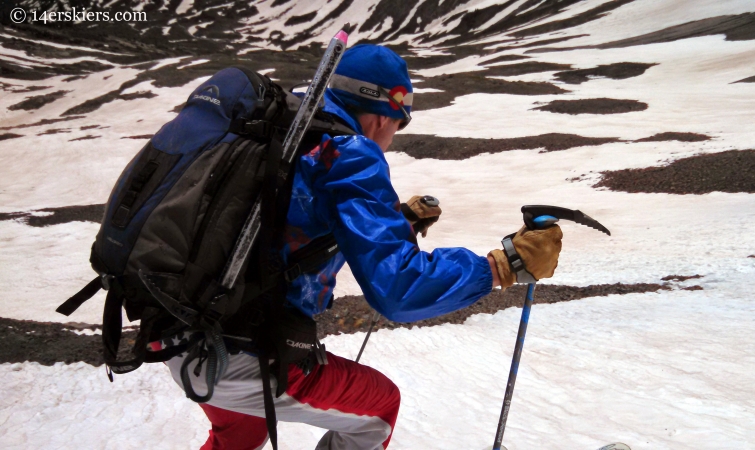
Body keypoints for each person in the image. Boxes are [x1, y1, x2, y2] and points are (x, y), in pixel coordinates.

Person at [162, 44, 563, 450]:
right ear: (379, 116)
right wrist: (503, 266)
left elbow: (288, 223)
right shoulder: (346, 150)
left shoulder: (282, 132)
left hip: (173, 331)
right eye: (398, 123)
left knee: (242, 433)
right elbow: (399, 289)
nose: (392, 135)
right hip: (238, 352)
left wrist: (397, 221)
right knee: (378, 411)